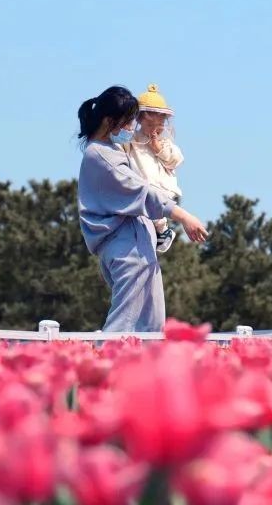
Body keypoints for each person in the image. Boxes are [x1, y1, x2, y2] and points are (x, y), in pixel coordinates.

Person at [76, 86, 208, 332]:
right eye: (127, 122)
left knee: (151, 325)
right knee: (124, 325)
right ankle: (104, 367)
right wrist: (183, 216)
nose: (130, 128)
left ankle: (145, 370)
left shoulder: (112, 150)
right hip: (126, 245)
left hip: (137, 241)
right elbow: (142, 192)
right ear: (109, 121)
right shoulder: (101, 156)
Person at [126, 84, 184, 254]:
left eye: (159, 125)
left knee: (157, 211)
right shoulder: (132, 139)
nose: (154, 129)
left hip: (161, 188)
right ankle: (162, 233)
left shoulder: (165, 142)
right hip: (144, 186)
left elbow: (176, 160)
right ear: (139, 120)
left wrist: (158, 148)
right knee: (148, 210)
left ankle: (162, 232)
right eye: (150, 124)